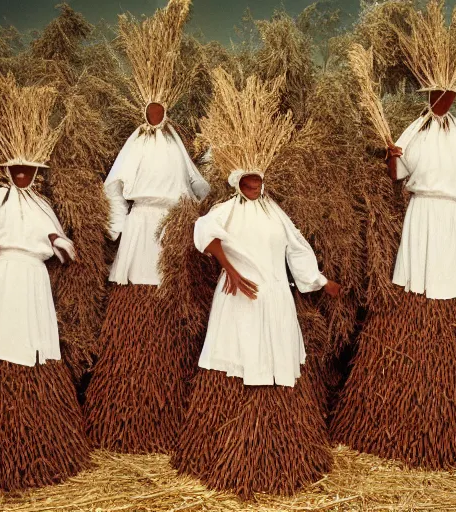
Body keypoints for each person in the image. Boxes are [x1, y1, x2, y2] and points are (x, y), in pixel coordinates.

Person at [331, 0, 456, 468]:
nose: (447, 101)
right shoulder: (414, 128)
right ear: (431, 94)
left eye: (452, 95)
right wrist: (392, 155)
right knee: (415, 283)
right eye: (441, 94)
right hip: (421, 218)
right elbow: (397, 173)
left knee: (454, 287)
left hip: (454, 219)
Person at [172, 70, 339, 499]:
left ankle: (283, 449)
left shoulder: (274, 212)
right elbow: (202, 235)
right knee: (238, 361)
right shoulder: (227, 210)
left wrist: (319, 282)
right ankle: (221, 451)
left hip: (275, 301)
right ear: (237, 182)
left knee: (274, 361)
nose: (253, 186)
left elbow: (297, 248)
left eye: (258, 180)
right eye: (247, 181)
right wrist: (229, 269)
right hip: (240, 299)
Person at [0, 75, 90, 490]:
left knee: (34, 346)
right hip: (4, 277)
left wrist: (58, 242)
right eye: (17, 169)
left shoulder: (44, 206)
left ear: (35, 171)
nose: (23, 174)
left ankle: (40, 442)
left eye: (29, 169)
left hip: (34, 282)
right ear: (9, 170)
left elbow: (64, 246)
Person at [84, 0, 210, 454]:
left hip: (171, 231)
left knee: (168, 302)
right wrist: (118, 228)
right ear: (145, 109)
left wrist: (218, 166)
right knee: (136, 297)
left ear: (167, 109)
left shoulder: (176, 141)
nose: (157, 115)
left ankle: (167, 412)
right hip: (141, 228)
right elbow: (113, 185)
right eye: (151, 109)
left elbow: (197, 185)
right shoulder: (134, 143)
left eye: (162, 109)